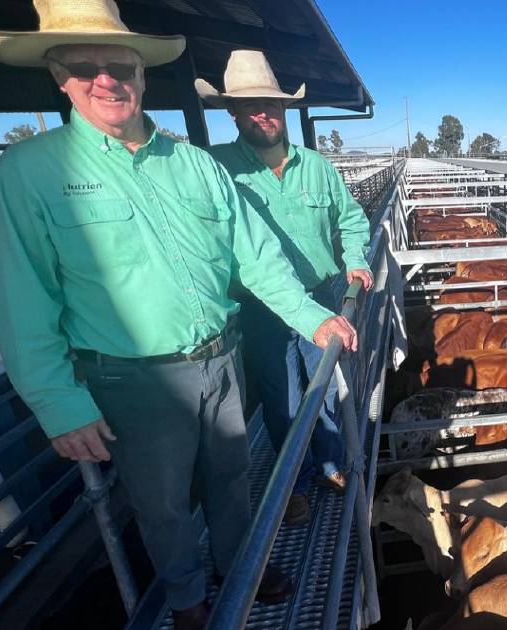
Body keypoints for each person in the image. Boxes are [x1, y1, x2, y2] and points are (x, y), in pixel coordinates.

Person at [0, 2, 356, 628]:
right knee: (163, 503)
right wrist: (58, 401)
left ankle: (239, 569)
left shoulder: (196, 164)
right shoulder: (32, 170)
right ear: (59, 77)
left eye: (118, 64)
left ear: (142, 73)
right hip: (134, 377)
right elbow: (24, 297)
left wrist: (311, 315)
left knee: (232, 477)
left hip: (222, 356)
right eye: (84, 67)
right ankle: (186, 600)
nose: (106, 79)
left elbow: (255, 257)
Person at [197, 50, 373, 523]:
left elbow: (352, 219)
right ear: (231, 112)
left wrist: (355, 260)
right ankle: (291, 480)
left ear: (284, 109)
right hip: (260, 306)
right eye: (250, 105)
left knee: (328, 383)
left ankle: (332, 462)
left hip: (321, 293)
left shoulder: (317, 166)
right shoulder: (216, 170)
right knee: (282, 396)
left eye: (270, 104)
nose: (263, 113)